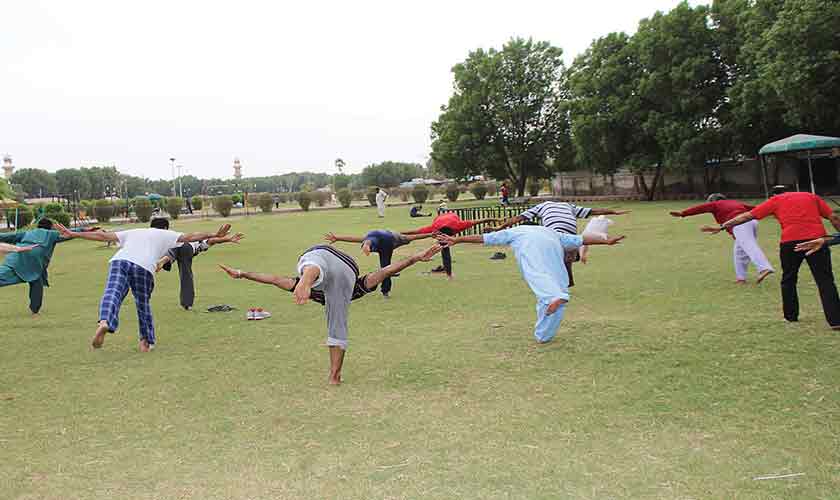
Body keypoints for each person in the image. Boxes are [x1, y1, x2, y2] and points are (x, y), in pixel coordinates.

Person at [218, 243, 442, 385]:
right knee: (335, 317)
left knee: (320, 286)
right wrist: (414, 258)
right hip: (339, 265)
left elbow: (275, 279)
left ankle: (308, 278)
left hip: (320, 255)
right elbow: (384, 272)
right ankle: (334, 375)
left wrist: (242, 273)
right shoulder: (354, 289)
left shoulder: (338, 292)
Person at [53, 219, 234, 351]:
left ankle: (104, 321)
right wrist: (214, 234)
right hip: (144, 267)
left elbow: (101, 235)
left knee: (112, 293)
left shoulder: (133, 231)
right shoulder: (166, 234)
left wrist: (74, 234)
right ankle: (145, 342)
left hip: (120, 261)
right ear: (164, 227)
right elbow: (192, 236)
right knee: (142, 304)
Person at [436, 226, 625, 343]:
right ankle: (543, 335)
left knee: (537, 277)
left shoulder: (515, 232)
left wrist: (457, 239)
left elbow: (485, 238)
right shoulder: (552, 232)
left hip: (532, 250)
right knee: (553, 293)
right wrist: (606, 241)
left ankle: (556, 297)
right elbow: (582, 239)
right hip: (554, 253)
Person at [710, 186, 840, 328]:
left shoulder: (775, 200)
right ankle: (835, 321)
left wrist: (723, 226)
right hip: (817, 240)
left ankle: (791, 316)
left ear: (774, 194)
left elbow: (747, 216)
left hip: (790, 242)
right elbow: (833, 217)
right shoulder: (810, 196)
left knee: (789, 279)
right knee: (825, 280)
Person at [490, 201, 630, 287]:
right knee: (568, 255)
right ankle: (568, 278)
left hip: (554, 234)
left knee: (549, 257)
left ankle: (554, 279)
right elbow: (593, 211)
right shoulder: (569, 206)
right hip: (570, 235)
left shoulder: (541, 206)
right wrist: (613, 212)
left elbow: (517, 218)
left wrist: (499, 228)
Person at [0, 218, 96, 316]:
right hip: (28, 263)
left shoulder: (27, 233)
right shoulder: (51, 234)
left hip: (17, 261)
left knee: (36, 283)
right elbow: (69, 233)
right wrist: (85, 230)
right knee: (36, 285)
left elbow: (7, 236)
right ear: (50, 227)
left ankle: (35, 311)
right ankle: (35, 311)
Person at [670, 193, 774, 284]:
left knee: (749, 246)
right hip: (752, 222)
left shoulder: (715, 204)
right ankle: (741, 278)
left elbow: (700, 208)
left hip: (740, 224)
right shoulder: (734, 202)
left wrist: (683, 213)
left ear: (712, 201)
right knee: (739, 252)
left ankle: (764, 268)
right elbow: (755, 208)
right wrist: (772, 211)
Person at [155, 224, 245, 310]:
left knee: (174, 250)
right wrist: (228, 239)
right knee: (186, 275)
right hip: (186, 250)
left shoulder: (194, 240)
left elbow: (212, 240)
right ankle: (187, 304)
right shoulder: (200, 245)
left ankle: (165, 259)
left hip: (179, 246)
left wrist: (227, 238)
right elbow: (213, 240)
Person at [323, 230, 435, 297]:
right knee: (386, 266)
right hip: (385, 235)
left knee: (385, 268)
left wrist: (366, 247)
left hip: (390, 239)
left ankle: (386, 290)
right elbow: (357, 239)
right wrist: (338, 238)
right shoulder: (370, 239)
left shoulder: (376, 242)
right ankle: (387, 288)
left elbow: (367, 242)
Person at [400, 212, 500, 279]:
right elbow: (415, 232)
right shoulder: (434, 228)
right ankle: (449, 274)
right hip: (439, 219)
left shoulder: (459, 225)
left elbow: (481, 220)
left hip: (452, 217)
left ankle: (449, 274)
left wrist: (496, 219)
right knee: (445, 249)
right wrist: (394, 233)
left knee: (445, 248)